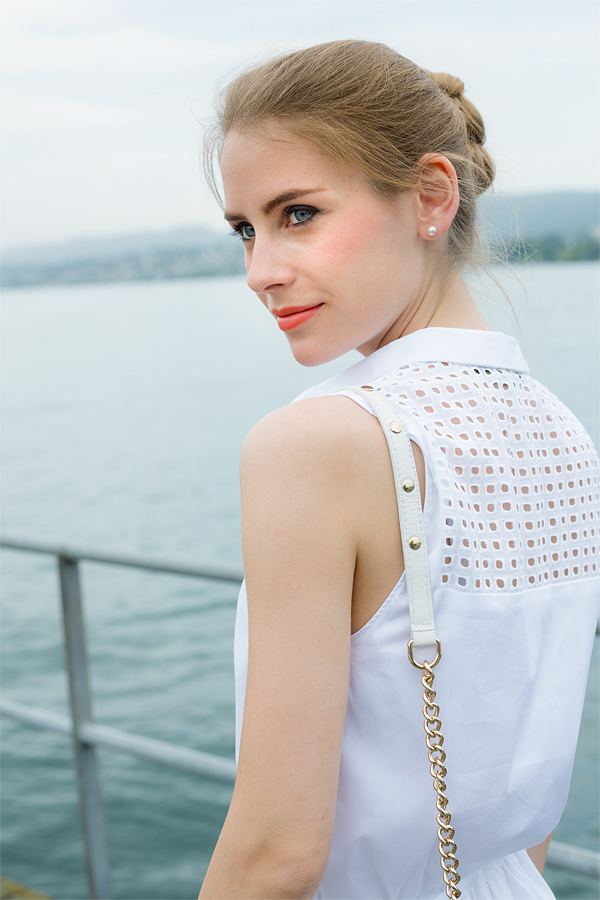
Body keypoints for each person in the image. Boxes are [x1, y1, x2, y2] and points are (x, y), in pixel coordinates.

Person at [198, 40, 600, 900]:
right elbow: (524, 807)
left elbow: (277, 854)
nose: (260, 272)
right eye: (245, 230)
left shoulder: (316, 444)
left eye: (298, 213)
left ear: (431, 196)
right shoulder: (565, 433)